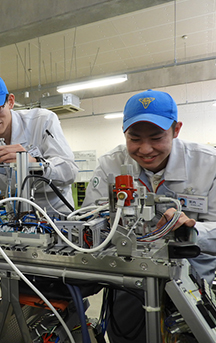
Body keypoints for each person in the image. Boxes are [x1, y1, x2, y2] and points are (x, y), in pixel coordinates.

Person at [83, 89, 216, 342]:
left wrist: (190, 229)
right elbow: (91, 219)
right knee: (125, 335)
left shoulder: (208, 164)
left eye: (156, 138)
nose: (145, 150)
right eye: (134, 138)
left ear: (176, 130)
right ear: (124, 132)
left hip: (192, 281)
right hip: (130, 281)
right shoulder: (109, 164)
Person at [0, 73, 78, 213]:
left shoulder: (42, 121)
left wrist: (34, 163)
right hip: (14, 218)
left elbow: (70, 171)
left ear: (10, 101)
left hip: (55, 215)